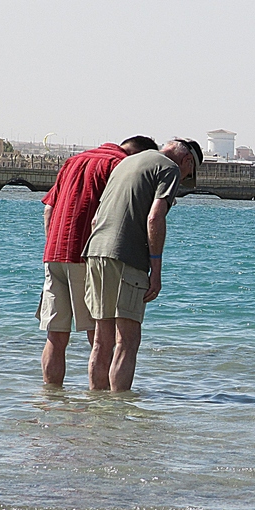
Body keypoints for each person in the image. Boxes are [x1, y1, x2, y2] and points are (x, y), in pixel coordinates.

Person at [82, 138, 203, 392]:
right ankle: (120, 414)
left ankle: (98, 409)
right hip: (128, 257)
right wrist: (156, 270)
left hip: (95, 251)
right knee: (128, 339)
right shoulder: (168, 168)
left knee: (102, 341)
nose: (182, 180)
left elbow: (95, 220)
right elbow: (155, 218)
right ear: (187, 161)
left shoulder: (126, 164)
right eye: (187, 175)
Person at [37, 135, 158, 387]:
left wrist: (52, 247)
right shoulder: (120, 165)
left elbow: (48, 208)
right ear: (139, 155)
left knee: (55, 337)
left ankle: (51, 401)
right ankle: (101, 411)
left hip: (54, 254)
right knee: (101, 339)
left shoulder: (73, 161)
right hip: (89, 257)